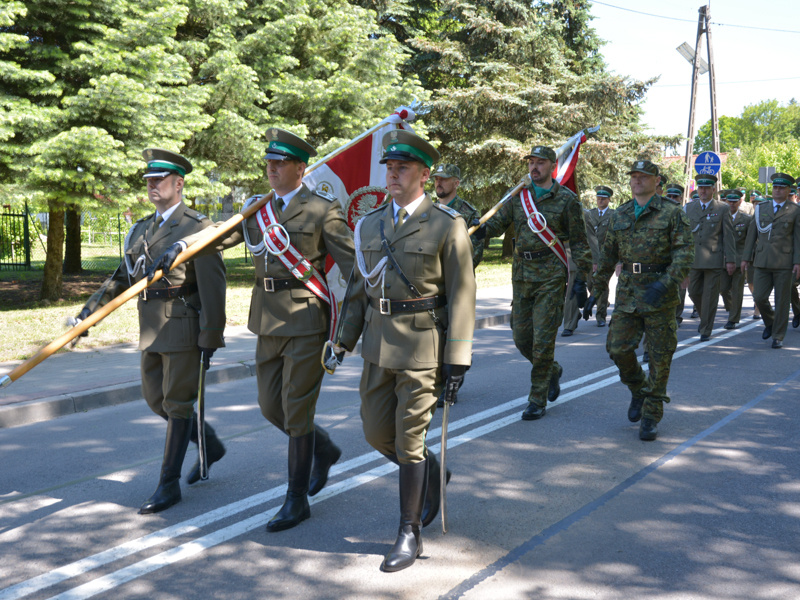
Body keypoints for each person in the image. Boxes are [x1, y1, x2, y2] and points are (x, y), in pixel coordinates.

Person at [150, 129, 355, 530]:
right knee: (269, 406)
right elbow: (220, 236)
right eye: (269, 162)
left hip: (306, 321)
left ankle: (296, 500)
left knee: (296, 410)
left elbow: (353, 271)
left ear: (301, 168)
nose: (272, 169)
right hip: (266, 320)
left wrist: (345, 330)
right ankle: (324, 448)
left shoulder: (322, 210)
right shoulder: (258, 210)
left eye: (280, 163)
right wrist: (181, 246)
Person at [337, 129, 476, 572]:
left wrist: (457, 358)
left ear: (424, 174)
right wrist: (342, 340)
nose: (393, 175)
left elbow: (462, 294)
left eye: (402, 168)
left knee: (410, 440)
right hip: (378, 344)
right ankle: (433, 474)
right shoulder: (370, 223)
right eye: (389, 168)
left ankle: (409, 531)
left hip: (422, 346)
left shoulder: (446, 224)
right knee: (377, 434)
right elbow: (359, 289)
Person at [73, 149, 227, 514]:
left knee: (176, 404)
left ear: (179, 183)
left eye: (160, 180)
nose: (153, 186)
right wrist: (88, 313)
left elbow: (213, 286)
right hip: (151, 328)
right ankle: (209, 443)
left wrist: (211, 336)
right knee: (155, 400)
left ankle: (167, 484)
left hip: (184, 325)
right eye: (149, 181)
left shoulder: (197, 228)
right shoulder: (141, 228)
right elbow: (122, 279)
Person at [478, 145, 592, 420]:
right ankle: (551, 370)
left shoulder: (566, 200)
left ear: (552, 165)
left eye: (540, 162)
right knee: (520, 337)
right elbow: (497, 224)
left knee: (542, 341)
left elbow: (579, 241)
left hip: (551, 275)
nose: (534, 167)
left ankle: (536, 399)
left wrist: (584, 281)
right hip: (521, 274)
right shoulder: (519, 196)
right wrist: (478, 226)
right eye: (531, 162)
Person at [591, 160, 693, 441]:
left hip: (660, 296)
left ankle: (651, 416)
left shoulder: (672, 213)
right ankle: (638, 388)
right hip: (628, 294)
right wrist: (594, 290)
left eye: (643, 176)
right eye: (633, 176)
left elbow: (684, 254)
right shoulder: (621, 213)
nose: (637, 180)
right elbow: (608, 255)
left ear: (656, 181)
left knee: (660, 359)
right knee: (617, 349)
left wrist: (666, 282)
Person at [742, 173, 800, 348]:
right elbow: (752, 234)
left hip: (784, 262)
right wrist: (745, 258)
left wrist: (797, 262)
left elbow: (798, 238)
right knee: (759, 297)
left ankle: (778, 336)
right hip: (762, 261)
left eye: (781, 188)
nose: (777, 190)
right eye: (775, 187)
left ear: (788, 190)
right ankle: (770, 323)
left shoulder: (795, 210)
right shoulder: (761, 208)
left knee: (782, 301)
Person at [683, 174, 735, 341]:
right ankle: (704, 316)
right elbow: (684, 236)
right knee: (693, 292)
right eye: (701, 188)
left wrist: (730, 260)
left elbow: (728, 236)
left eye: (707, 188)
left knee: (710, 295)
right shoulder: (689, 208)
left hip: (714, 259)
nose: (703, 191)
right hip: (693, 259)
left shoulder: (722, 208)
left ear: (714, 189)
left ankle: (706, 328)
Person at [432, 163, 486, 268]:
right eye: (436, 179)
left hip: (457, 278)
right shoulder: (428, 210)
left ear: (456, 183)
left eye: (443, 179)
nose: (438, 182)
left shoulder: (469, 214)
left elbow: (474, 257)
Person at [583, 185, 616, 327]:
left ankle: (601, 315)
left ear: (609, 200)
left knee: (602, 283)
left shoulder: (614, 215)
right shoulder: (589, 214)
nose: (600, 201)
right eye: (598, 198)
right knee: (590, 283)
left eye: (603, 199)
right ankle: (601, 300)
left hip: (607, 255)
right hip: (591, 255)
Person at [719, 190, 752, 329]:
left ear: (740, 202)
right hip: (722, 259)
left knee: (737, 290)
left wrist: (747, 259)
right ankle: (731, 308)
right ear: (726, 201)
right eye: (729, 201)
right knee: (723, 288)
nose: (731, 204)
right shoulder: (719, 217)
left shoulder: (746, 219)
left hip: (739, 259)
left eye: (734, 201)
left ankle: (733, 318)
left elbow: (750, 241)